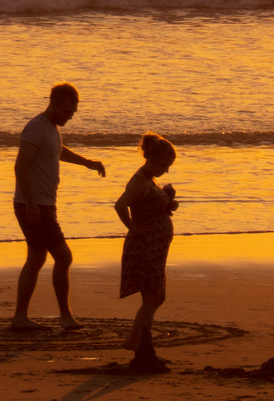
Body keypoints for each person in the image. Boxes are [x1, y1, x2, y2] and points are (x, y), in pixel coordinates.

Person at [12, 82, 105, 330]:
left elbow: (57, 150)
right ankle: (65, 316)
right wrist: (31, 205)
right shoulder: (35, 128)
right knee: (63, 257)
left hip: (44, 205)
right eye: (65, 111)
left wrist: (86, 162)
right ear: (53, 103)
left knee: (37, 257)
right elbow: (20, 166)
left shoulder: (51, 129)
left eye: (72, 113)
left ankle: (21, 318)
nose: (69, 117)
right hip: (34, 205)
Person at [115, 133, 178, 368]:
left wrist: (168, 201)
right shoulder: (139, 181)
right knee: (152, 297)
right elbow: (120, 205)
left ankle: (137, 340)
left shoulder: (150, 179)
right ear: (151, 158)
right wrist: (133, 228)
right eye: (164, 165)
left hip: (155, 248)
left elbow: (148, 208)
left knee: (158, 296)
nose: (166, 170)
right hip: (145, 248)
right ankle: (140, 344)